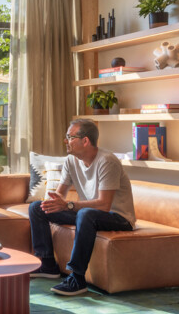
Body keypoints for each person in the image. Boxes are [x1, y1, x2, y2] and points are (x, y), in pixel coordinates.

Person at [29, 118, 136, 296]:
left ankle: (77, 278)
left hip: (118, 217)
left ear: (85, 140)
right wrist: (53, 202)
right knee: (37, 208)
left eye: (70, 137)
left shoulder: (107, 161)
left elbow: (104, 204)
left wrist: (68, 205)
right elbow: (59, 194)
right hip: (89, 214)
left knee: (86, 214)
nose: (66, 141)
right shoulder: (71, 160)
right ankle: (48, 264)